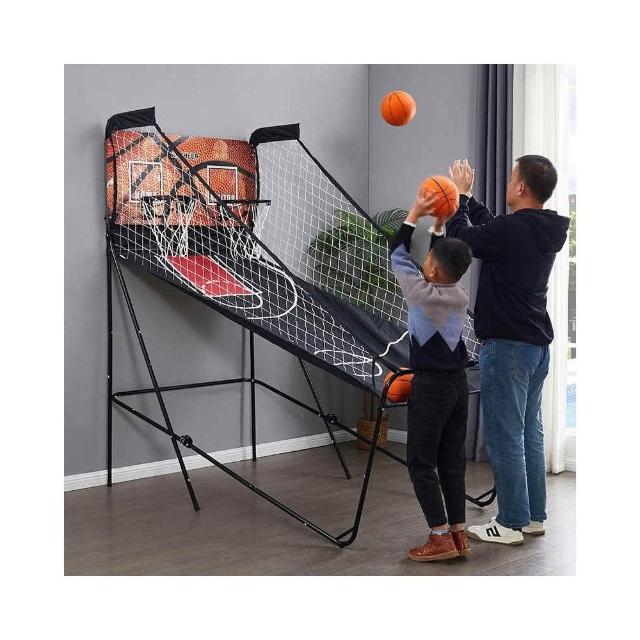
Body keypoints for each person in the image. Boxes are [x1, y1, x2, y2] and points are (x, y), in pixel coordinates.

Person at [446, 156, 569, 545]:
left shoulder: (512, 230)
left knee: (504, 436)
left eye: (512, 177)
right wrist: (470, 200)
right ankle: (532, 517)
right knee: (528, 431)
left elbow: (463, 239)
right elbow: (492, 228)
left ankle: (511, 522)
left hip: (508, 347)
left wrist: (459, 198)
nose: (508, 182)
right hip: (536, 347)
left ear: (520, 188)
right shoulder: (541, 228)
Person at [390, 189, 473, 561]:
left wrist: (414, 215)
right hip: (458, 385)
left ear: (433, 270)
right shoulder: (458, 293)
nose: (423, 260)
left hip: (432, 388)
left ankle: (438, 537)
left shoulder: (420, 293)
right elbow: (443, 263)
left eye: (428, 258)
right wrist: (439, 227)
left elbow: (397, 252)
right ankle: (458, 533)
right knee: (451, 460)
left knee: (421, 462)